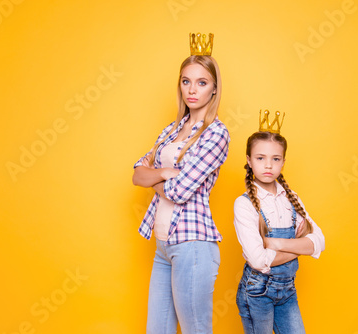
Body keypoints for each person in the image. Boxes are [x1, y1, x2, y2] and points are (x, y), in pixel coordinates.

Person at [132, 33, 229, 334]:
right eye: (186, 81)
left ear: (214, 89)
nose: (192, 89)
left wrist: (158, 176)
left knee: (195, 331)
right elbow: (137, 173)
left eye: (202, 82)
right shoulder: (171, 130)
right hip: (163, 246)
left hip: (193, 246)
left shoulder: (216, 133)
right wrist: (165, 173)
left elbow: (180, 191)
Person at [233, 114, 325, 334]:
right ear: (248, 160)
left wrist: (274, 243)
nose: (268, 165)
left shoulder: (290, 198)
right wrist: (297, 246)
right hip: (257, 291)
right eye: (260, 158)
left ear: (283, 162)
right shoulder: (244, 204)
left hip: (287, 290)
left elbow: (319, 241)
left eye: (275, 159)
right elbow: (258, 260)